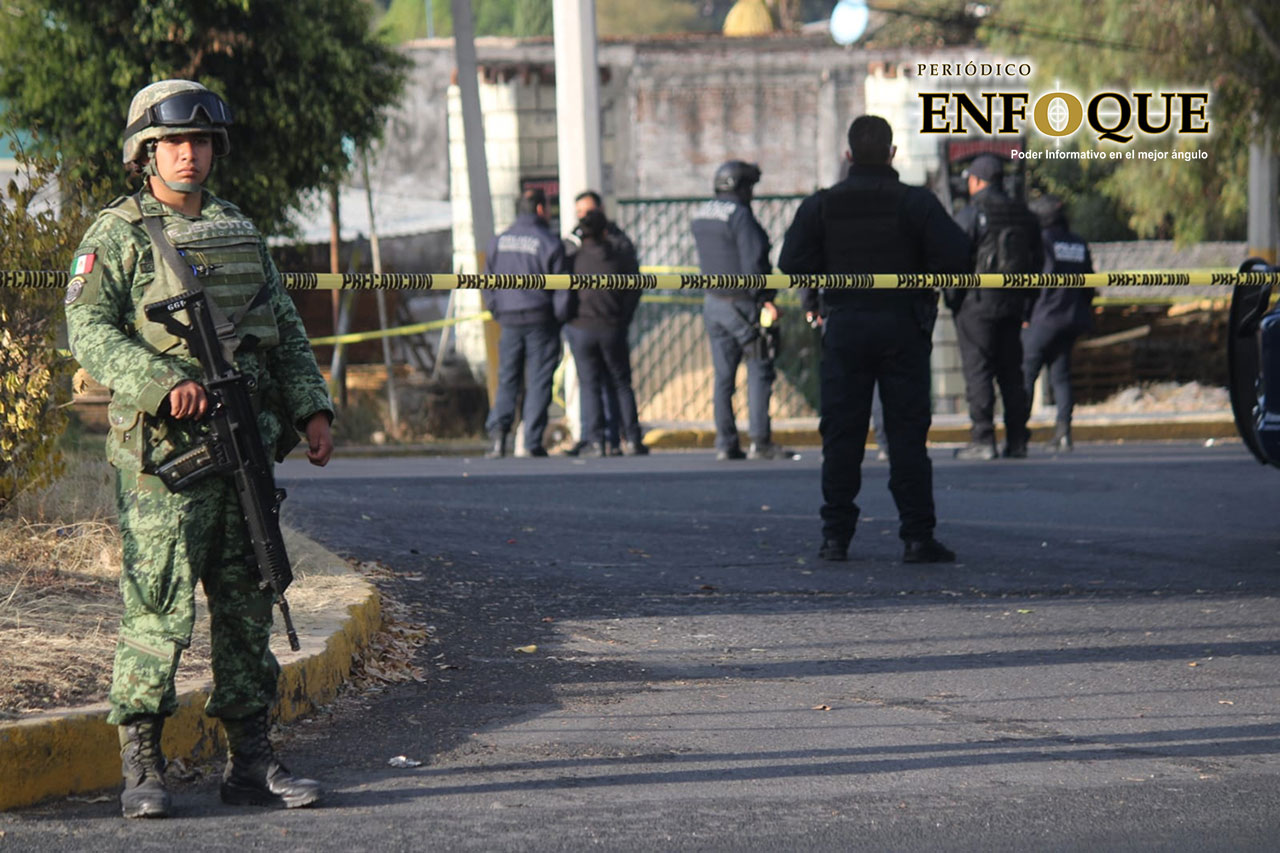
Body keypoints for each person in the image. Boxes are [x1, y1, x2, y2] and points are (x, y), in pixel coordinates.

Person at [63, 80, 333, 818]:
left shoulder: (239, 230)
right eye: (175, 143)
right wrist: (157, 381)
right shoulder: (117, 234)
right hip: (164, 461)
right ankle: (142, 766)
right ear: (144, 152)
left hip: (241, 446)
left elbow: (283, 325)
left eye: (202, 142)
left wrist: (311, 408)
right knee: (156, 609)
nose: (190, 154)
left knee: (250, 604)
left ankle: (251, 760)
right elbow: (86, 329)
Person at [780, 114, 970, 564]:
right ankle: (917, 538)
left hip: (845, 326)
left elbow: (792, 262)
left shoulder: (823, 205)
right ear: (892, 154)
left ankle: (835, 539)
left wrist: (829, 272)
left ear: (848, 155)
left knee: (842, 436)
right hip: (903, 327)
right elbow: (958, 256)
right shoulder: (915, 203)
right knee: (906, 436)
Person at [947, 153, 1043, 461]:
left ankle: (983, 439)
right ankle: (1017, 441)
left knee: (979, 371)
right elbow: (1038, 261)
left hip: (977, 303)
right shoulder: (1024, 214)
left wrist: (953, 299)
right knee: (1011, 373)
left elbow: (954, 256)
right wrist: (1027, 304)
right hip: (1013, 302)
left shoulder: (972, 212)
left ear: (976, 181)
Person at [692, 160, 788, 460]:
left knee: (723, 377)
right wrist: (766, 299)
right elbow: (754, 260)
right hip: (744, 304)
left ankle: (726, 443)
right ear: (741, 187)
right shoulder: (741, 217)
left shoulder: (702, 214)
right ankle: (760, 441)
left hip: (713, 303)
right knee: (760, 368)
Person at [482, 188, 570, 458]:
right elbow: (563, 289)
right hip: (541, 320)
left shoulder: (499, 241)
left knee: (507, 379)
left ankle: (499, 439)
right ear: (541, 209)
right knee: (539, 381)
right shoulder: (549, 242)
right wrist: (558, 318)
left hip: (509, 321)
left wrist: (498, 310)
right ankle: (531, 442)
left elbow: (487, 282)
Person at [563, 209, 649, 456]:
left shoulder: (574, 258)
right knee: (621, 384)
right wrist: (624, 317)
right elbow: (634, 289)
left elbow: (563, 292)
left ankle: (597, 441)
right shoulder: (618, 256)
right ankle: (631, 438)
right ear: (604, 230)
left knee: (589, 385)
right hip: (612, 327)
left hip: (581, 328)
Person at [1023, 195, 1095, 452]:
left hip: (1043, 318)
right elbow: (1089, 284)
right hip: (1071, 318)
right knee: (1061, 377)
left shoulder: (1041, 240)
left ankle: (1018, 434)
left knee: (1026, 374)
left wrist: (1025, 315)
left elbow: (1030, 280)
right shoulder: (1077, 242)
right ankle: (1064, 433)